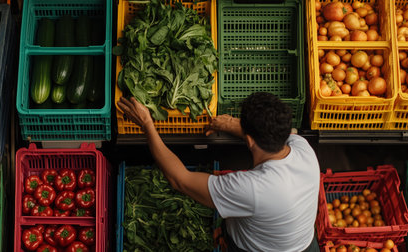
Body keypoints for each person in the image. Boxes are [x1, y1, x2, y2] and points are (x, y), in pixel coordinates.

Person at [117, 92, 321, 252]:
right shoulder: (303, 149)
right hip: (304, 245)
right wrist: (232, 125)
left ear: (249, 140)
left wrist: (147, 125)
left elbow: (179, 179)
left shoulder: (253, 188)